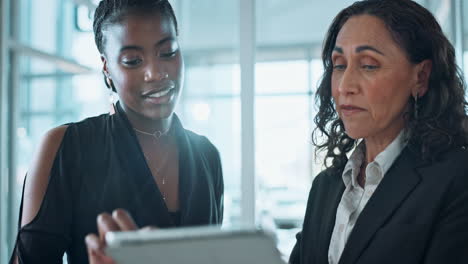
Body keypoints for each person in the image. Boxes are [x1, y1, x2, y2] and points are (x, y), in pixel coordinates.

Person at [10, 0, 224, 263]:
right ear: (107, 68)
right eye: (133, 61)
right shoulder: (67, 148)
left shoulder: (207, 156)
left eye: (167, 52)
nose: (155, 73)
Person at [289, 0, 468, 263]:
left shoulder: (457, 180)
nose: (345, 86)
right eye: (339, 65)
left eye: (369, 65)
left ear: (420, 77)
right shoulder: (325, 187)